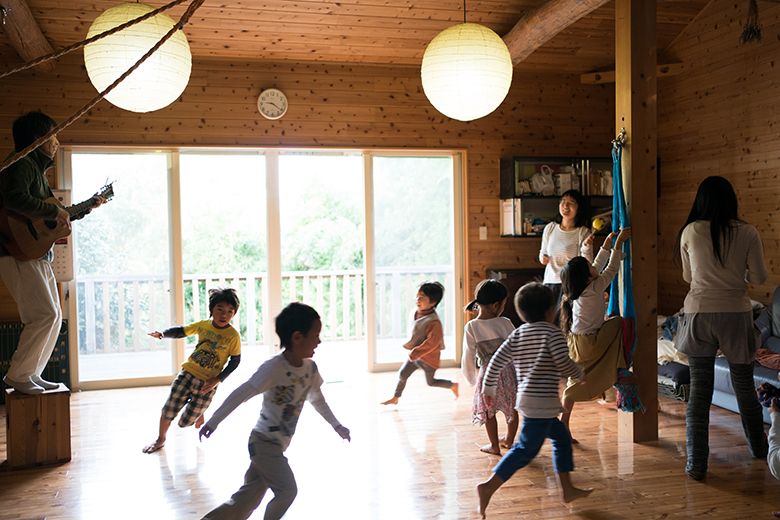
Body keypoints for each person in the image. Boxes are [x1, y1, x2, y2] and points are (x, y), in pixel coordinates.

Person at [199, 302, 351, 520]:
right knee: (287, 490)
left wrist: (337, 425)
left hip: (277, 446)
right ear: (297, 337)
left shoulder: (310, 369)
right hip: (263, 444)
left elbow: (317, 399)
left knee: (248, 498)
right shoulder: (274, 368)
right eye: (315, 335)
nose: (319, 341)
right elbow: (243, 392)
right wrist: (214, 421)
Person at [0, 111, 104, 395]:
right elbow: (15, 199)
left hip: (36, 252)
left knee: (54, 315)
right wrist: (54, 210)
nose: (57, 141)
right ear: (38, 138)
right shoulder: (22, 162)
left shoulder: (36, 169)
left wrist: (81, 209)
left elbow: (48, 219)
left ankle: (31, 373)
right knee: (44, 315)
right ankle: (18, 375)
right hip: (17, 251)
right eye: (53, 135)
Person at [673, 175, 768, 481]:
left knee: (699, 393)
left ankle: (696, 464)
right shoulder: (748, 232)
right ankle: (760, 450)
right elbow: (760, 278)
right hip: (736, 315)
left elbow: (690, 278)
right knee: (745, 388)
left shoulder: (690, 231)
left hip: (699, 313)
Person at [476, 283, 591, 518]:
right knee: (524, 451)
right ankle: (488, 486)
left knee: (560, 438)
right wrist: (579, 373)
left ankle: (567, 489)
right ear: (551, 310)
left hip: (530, 402)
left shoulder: (518, 333)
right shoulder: (553, 333)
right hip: (542, 404)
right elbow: (563, 362)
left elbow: (496, 361)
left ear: (521, 313)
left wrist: (488, 387)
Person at [142, 287, 241, 454]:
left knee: (185, 422)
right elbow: (182, 331)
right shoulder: (204, 325)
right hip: (188, 374)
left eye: (230, 311)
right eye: (220, 309)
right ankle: (160, 440)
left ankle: (199, 411)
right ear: (211, 309)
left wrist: (217, 380)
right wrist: (163, 334)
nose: (224, 315)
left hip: (208, 383)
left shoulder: (233, 336)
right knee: (169, 408)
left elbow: (235, 361)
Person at [558, 227, 632, 441]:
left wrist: (607, 243)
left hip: (576, 342)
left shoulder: (584, 286)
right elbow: (611, 269)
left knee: (573, 384)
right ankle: (619, 367)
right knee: (618, 322)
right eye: (589, 267)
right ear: (587, 278)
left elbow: (598, 266)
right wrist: (617, 246)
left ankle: (564, 424)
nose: (593, 266)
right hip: (589, 342)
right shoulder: (594, 287)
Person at [461, 279, 518, 455]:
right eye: (503, 304)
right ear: (495, 305)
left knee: (488, 411)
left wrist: (470, 378)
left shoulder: (472, 326)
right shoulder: (506, 322)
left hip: (488, 375)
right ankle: (509, 439)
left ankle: (494, 445)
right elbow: (517, 347)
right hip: (508, 372)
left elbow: (468, 355)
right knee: (512, 407)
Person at [381, 281, 459, 405]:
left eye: (421, 298)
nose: (417, 299)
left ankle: (452, 385)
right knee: (402, 373)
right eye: (417, 296)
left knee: (431, 382)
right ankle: (395, 398)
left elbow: (432, 343)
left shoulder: (434, 322)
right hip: (415, 355)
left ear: (433, 302)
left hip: (428, 358)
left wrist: (415, 352)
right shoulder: (415, 311)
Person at [538, 189, 595, 307]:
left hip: (571, 285)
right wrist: (542, 258)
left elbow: (587, 263)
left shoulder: (583, 232)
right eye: (563, 201)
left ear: (579, 208)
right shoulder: (550, 228)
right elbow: (542, 252)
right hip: (550, 282)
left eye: (571, 203)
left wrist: (587, 247)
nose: (565, 205)